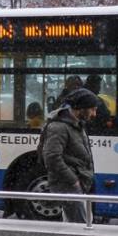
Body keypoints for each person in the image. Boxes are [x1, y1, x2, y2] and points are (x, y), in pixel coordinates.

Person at [38, 87, 99, 223]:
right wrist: (73, 180)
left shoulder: (75, 124)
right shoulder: (59, 127)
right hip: (69, 186)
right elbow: (52, 157)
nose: (94, 114)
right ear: (80, 108)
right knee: (81, 226)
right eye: (92, 109)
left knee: (75, 225)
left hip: (76, 184)